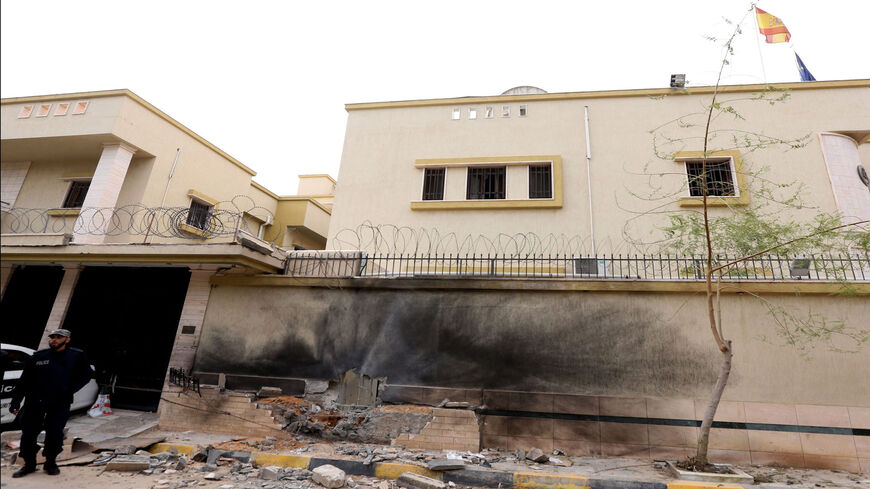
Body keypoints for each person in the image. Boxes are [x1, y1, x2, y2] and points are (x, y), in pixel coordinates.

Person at [9, 328, 92, 478]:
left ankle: (50, 463)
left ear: (67, 339)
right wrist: (16, 401)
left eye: (58, 337)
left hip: (59, 402)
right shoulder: (39, 356)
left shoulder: (76, 356)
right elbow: (24, 380)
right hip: (35, 401)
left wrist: (71, 388)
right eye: (52, 337)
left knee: (54, 434)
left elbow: (86, 375)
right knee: (28, 434)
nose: (54, 339)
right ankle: (29, 464)